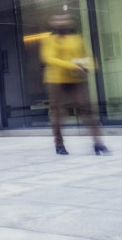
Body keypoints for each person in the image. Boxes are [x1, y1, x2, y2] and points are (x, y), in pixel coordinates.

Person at [40, 13, 110, 155]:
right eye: (58, 20)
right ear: (53, 24)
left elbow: (88, 57)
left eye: (64, 20)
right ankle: (59, 144)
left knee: (88, 110)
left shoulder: (77, 39)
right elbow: (49, 59)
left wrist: (89, 66)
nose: (61, 22)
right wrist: (73, 65)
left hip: (77, 80)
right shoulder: (50, 41)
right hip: (56, 80)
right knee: (58, 113)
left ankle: (98, 143)